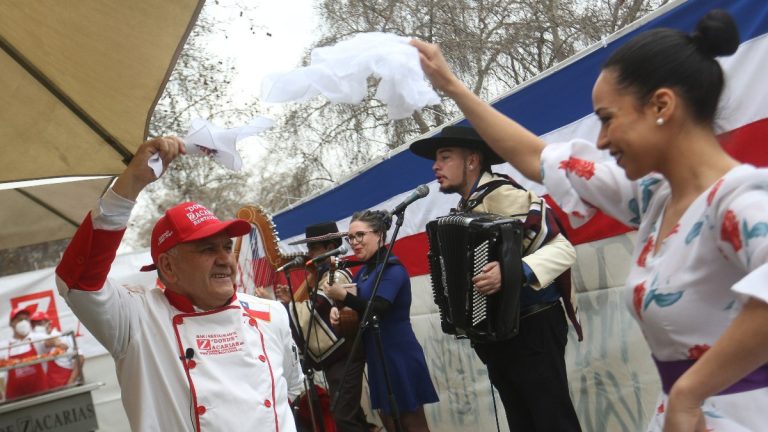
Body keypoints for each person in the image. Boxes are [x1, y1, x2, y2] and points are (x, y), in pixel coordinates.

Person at [411, 9, 768, 432]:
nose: (601, 139)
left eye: (607, 119)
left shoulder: (740, 199)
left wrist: (690, 391)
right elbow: (536, 157)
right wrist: (453, 87)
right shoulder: (653, 197)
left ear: (661, 105)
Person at [54, 137, 304, 431]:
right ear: (168, 267)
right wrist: (132, 182)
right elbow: (76, 281)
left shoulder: (272, 314)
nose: (224, 259)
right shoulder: (137, 320)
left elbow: (291, 389)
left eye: (226, 247)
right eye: (207, 249)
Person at [409, 125, 582, 431]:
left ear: (472, 160)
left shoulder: (504, 195)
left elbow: (563, 249)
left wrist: (512, 272)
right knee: (522, 422)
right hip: (502, 336)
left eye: (445, 157)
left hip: (533, 326)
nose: (435, 166)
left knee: (553, 421)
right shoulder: (467, 207)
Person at [324, 210, 438, 432]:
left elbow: (378, 308)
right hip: (377, 357)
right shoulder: (363, 273)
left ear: (379, 235)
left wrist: (344, 296)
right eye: (350, 238)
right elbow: (356, 310)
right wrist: (338, 312)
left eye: (360, 235)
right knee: (391, 424)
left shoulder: (393, 269)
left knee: (412, 423)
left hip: (399, 356)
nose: (354, 242)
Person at [1, 307, 49, 400]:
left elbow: (52, 341)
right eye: (19, 319)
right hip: (15, 401)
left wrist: (54, 342)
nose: (23, 322)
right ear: (11, 323)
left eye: (26, 319)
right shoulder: (4, 346)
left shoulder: (37, 338)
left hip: (42, 396)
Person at [30, 311, 83, 389]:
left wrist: (71, 382)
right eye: (34, 325)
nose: (36, 327)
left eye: (39, 324)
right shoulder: (33, 342)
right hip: (46, 388)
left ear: (49, 323)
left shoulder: (64, 337)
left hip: (65, 385)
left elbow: (80, 358)